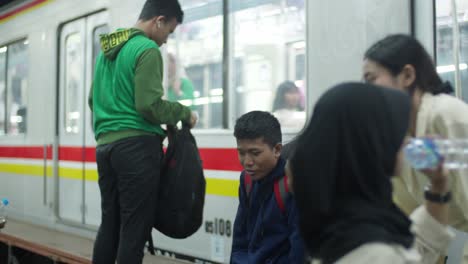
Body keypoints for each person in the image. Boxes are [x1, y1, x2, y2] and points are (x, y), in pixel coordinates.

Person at [288, 82, 454, 264]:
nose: (407, 141)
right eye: (397, 132)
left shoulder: (344, 228)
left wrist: (439, 185)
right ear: (373, 143)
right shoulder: (376, 254)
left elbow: (419, 245)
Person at [88, 0, 197, 263]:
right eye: (168, 32)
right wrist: (184, 113)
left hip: (105, 148)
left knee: (110, 224)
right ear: (159, 21)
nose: (166, 41)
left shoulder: (107, 51)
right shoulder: (146, 49)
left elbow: (93, 99)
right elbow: (149, 105)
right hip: (136, 149)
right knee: (134, 228)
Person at [363, 34, 468, 262]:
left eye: (371, 79)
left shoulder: (446, 116)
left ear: (407, 75)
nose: (366, 91)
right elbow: (415, 224)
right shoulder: (399, 137)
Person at [230, 111, 305, 263]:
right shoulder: (246, 180)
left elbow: (298, 250)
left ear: (277, 150)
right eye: (241, 153)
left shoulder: (291, 184)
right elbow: (240, 238)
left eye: (255, 153)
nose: (247, 162)